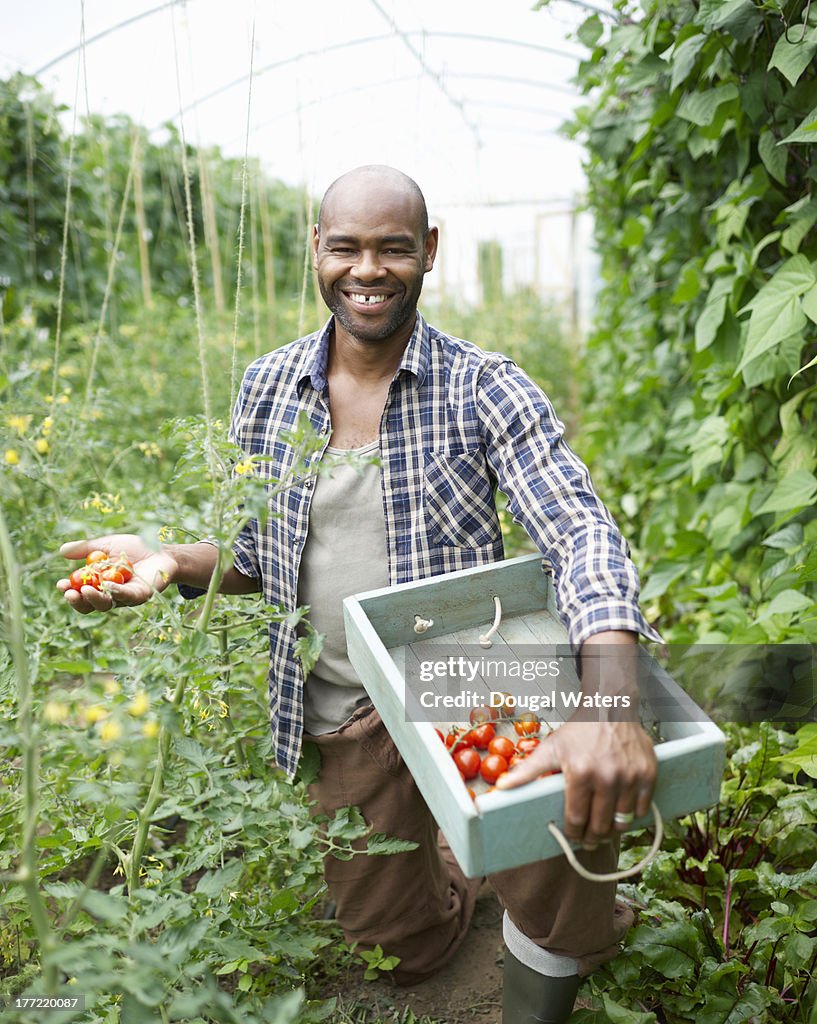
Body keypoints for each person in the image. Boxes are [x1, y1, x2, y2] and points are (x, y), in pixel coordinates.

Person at [58, 165, 660, 1024]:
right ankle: (468, 866)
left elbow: (579, 532)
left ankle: (547, 934)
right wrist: (165, 560)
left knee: (563, 850)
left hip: (463, 683)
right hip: (341, 706)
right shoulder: (268, 388)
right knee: (397, 952)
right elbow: (262, 556)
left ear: (429, 254)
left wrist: (607, 701)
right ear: (317, 249)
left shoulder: (483, 385)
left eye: (392, 249)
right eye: (345, 247)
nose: (366, 270)